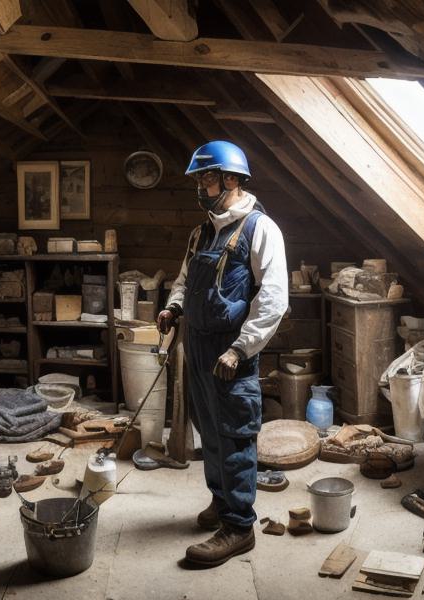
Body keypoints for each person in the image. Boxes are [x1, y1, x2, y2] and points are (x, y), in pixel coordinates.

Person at [158, 140, 288, 566]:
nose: (200, 186)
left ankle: (238, 526)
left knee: (233, 436)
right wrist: (174, 306)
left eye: (207, 177)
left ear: (232, 179)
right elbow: (183, 278)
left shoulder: (259, 229)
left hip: (231, 350)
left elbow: (273, 299)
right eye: (198, 178)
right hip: (196, 344)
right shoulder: (202, 231)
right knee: (208, 431)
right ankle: (221, 501)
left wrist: (241, 348)